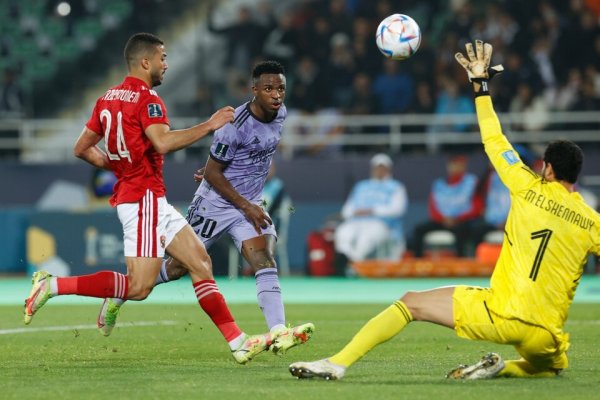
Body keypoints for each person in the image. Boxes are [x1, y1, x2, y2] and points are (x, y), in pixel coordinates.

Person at [288, 40, 600, 381]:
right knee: (549, 367)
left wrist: (480, 86)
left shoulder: (526, 185)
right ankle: (503, 370)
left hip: (501, 313)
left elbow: (494, 139)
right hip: (546, 335)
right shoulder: (591, 219)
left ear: (548, 170)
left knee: (410, 302)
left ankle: (338, 362)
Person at [23, 32, 272, 365]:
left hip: (150, 198)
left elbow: (81, 149)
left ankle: (238, 342)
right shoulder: (148, 99)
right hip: (141, 202)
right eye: (162, 58)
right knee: (139, 288)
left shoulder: (107, 98)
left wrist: (118, 164)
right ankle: (52, 286)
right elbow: (163, 142)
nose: (166, 65)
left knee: (199, 263)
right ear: (145, 62)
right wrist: (210, 124)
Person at [95, 60, 314, 355]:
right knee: (176, 268)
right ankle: (120, 294)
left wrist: (244, 190)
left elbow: (249, 158)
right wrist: (238, 196)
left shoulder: (280, 114)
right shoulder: (233, 126)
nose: (277, 95)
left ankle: (279, 332)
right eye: (269, 88)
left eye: (281, 89)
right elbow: (213, 173)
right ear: (254, 90)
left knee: (263, 258)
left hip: (248, 203)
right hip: (215, 204)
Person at [334, 153, 408, 263]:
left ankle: (355, 263)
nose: (379, 170)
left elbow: (398, 209)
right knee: (343, 232)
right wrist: (355, 212)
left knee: (366, 238)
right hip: (356, 221)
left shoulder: (396, 187)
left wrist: (372, 211)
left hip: (381, 224)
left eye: (382, 168)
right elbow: (346, 210)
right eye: (377, 167)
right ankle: (345, 261)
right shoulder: (361, 186)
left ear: (388, 169)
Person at [411, 154, 483, 257]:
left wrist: (457, 218)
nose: (455, 167)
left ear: (464, 166)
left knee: (464, 232)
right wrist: (443, 219)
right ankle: (418, 265)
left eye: (458, 164)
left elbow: (477, 207)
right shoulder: (439, 185)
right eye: (453, 164)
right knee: (418, 230)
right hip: (442, 221)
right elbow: (433, 207)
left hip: (462, 221)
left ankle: (461, 264)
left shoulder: (472, 182)